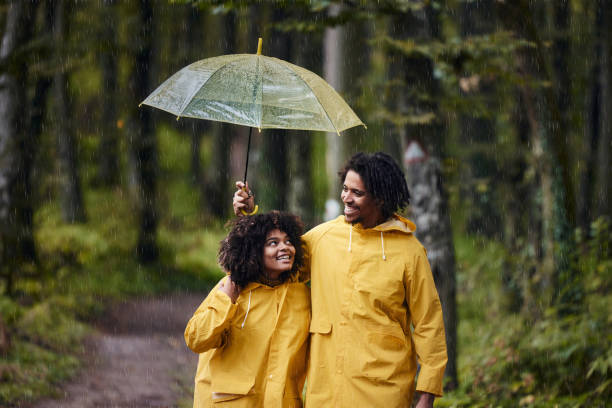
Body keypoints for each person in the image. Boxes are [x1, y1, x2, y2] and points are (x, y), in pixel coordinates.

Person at [233, 152, 447, 408]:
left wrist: (427, 394)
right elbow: (272, 262)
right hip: (326, 392)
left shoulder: (410, 253)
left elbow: (429, 325)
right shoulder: (324, 237)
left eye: (357, 193)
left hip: (384, 393)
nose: (346, 197)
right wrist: (248, 219)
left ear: (380, 198)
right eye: (345, 189)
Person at [184, 211, 310, 408]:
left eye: (288, 241)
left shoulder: (301, 296)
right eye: (273, 243)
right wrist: (225, 301)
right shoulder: (232, 287)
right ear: (254, 251)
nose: (285, 248)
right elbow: (196, 339)